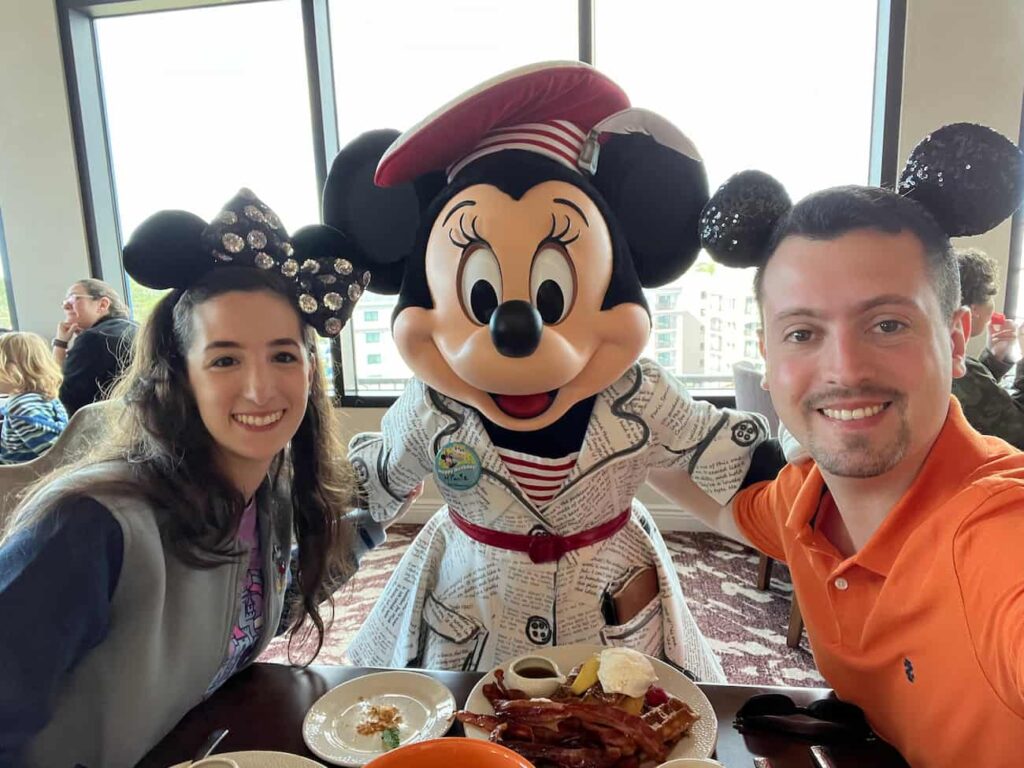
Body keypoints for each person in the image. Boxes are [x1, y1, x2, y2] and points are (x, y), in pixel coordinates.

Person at [323, 62, 770, 678]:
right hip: (469, 615)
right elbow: (373, 485)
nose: (517, 329)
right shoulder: (433, 405)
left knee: (619, 726)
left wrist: (819, 509)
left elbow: (721, 450)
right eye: (481, 298)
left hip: (611, 610)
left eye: (552, 295)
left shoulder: (641, 394)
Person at [649, 123, 1024, 767]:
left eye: (887, 324)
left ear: (957, 340)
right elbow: (721, 514)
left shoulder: (994, 530)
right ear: (768, 358)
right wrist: (618, 441)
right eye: (802, 333)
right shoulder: (805, 502)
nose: (845, 369)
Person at [0, 190, 374, 768]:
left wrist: (368, 521)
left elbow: (244, 617)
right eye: (225, 360)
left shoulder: (267, 493)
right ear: (180, 377)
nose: (259, 389)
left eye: (282, 355)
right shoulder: (88, 526)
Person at [950, 246, 1024, 446]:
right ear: (973, 310)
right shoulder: (961, 371)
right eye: (992, 297)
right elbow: (1020, 431)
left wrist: (993, 359)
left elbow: (975, 402)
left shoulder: (943, 355)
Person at [53, 277, 138, 415]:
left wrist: (60, 343)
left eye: (74, 298)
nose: (66, 306)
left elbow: (59, 395)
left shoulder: (94, 338)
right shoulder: (136, 329)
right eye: (65, 301)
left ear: (103, 304)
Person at [0, 332, 68, 463]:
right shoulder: (44, 396)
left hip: (16, 477)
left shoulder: (21, 408)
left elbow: (53, 456)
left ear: (12, 371)